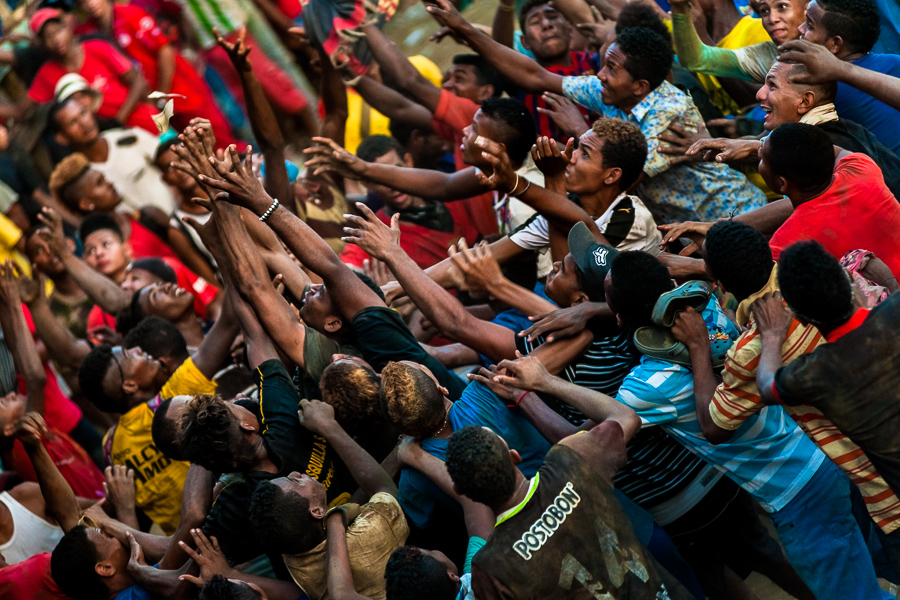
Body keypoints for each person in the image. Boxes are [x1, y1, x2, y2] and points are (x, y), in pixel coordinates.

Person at [670, 219, 900, 576]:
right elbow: (871, 268)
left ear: (722, 285)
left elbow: (729, 416)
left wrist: (760, 338)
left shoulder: (805, 368)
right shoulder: (876, 308)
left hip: (888, 499)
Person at [423, 0, 767, 223]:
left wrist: (574, 132)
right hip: (693, 227)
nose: (599, 75)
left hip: (736, 214)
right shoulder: (609, 91)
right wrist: (465, 29)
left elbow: (619, 178)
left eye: (611, 69)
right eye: (603, 65)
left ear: (640, 87)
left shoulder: (668, 109)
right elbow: (534, 75)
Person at [754, 240, 900, 568]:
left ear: (802, 318)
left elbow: (766, 386)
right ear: (848, 281)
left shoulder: (813, 374)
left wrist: (773, 335)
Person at [444, 421, 692, 599]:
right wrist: (544, 381)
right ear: (514, 457)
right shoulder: (569, 461)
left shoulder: (490, 568)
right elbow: (626, 417)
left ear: (460, 491)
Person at [248, 399, 407, 600]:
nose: (296, 473)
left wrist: (336, 518)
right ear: (316, 512)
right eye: (295, 482)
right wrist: (329, 426)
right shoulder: (368, 533)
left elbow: (357, 505)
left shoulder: (293, 556)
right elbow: (383, 488)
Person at [683, 60, 900, 198]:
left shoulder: (827, 150)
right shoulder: (846, 131)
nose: (759, 94)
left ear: (805, 102)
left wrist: (723, 225)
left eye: (772, 85)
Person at [75, 0, 240, 148]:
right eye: (83, 1)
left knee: (221, 141)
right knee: (194, 150)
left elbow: (165, 50)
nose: (90, 3)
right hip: (152, 107)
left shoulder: (129, 14)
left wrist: (162, 97)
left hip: (179, 90)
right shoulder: (89, 34)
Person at [758, 122, 900, 273]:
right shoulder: (861, 169)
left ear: (782, 184)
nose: (758, 154)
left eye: (762, 160)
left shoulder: (784, 246)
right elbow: (832, 151)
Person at [4, 9, 157, 132]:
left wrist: (118, 120)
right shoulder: (47, 75)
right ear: (42, 44)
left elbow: (137, 81)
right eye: (48, 37)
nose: (57, 40)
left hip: (144, 119)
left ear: (68, 28)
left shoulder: (96, 48)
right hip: (112, 141)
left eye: (58, 31)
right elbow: (19, 111)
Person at [338, 135, 461, 271]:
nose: (393, 185)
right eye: (381, 179)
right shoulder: (375, 233)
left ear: (408, 162)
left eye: (396, 172)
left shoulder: (456, 203)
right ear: (367, 184)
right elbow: (346, 269)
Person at [800, 0, 900, 153]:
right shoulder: (894, 62)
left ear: (835, 44)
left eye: (809, 26)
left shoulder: (822, 88)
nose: (800, 29)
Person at [49, 96, 177, 214]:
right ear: (62, 138)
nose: (83, 123)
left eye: (83, 113)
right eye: (72, 122)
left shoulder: (129, 138)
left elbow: (172, 164)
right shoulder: (84, 179)